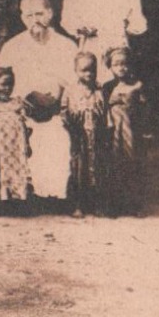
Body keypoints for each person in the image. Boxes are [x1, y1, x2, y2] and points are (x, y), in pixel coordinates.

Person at [0, 0, 78, 206]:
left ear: (50, 14)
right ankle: (21, 197)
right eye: (29, 15)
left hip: (56, 111)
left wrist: (58, 101)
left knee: (58, 137)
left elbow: (74, 84)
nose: (35, 20)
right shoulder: (12, 46)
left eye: (40, 13)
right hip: (23, 111)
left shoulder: (67, 46)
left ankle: (55, 197)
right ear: (23, 18)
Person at [98, 47, 148, 215]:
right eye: (117, 64)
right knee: (113, 164)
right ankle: (113, 206)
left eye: (125, 64)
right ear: (110, 67)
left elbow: (144, 109)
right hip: (112, 131)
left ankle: (134, 205)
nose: (121, 68)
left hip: (132, 130)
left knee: (133, 163)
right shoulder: (106, 87)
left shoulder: (137, 85)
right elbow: (103, 109)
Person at [60, 51, 105, 216]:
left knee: (98, 168)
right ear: (75, 70)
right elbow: (64, 110)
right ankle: (78, 204)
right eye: (83, 70)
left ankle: (97, 204)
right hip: (78, 135)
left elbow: (104, 110)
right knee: (79, 168)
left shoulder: (99, 90)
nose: (88, 74)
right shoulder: (70, 90)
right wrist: (71, 124)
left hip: (97, 134)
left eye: (92, 70)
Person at [0, 67, 30, 207]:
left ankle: (15, 199)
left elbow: (24, 123)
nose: (7, 88)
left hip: (16, 146)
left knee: (16, 170)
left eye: (10, 84)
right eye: (4, 84)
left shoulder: (16, 103)